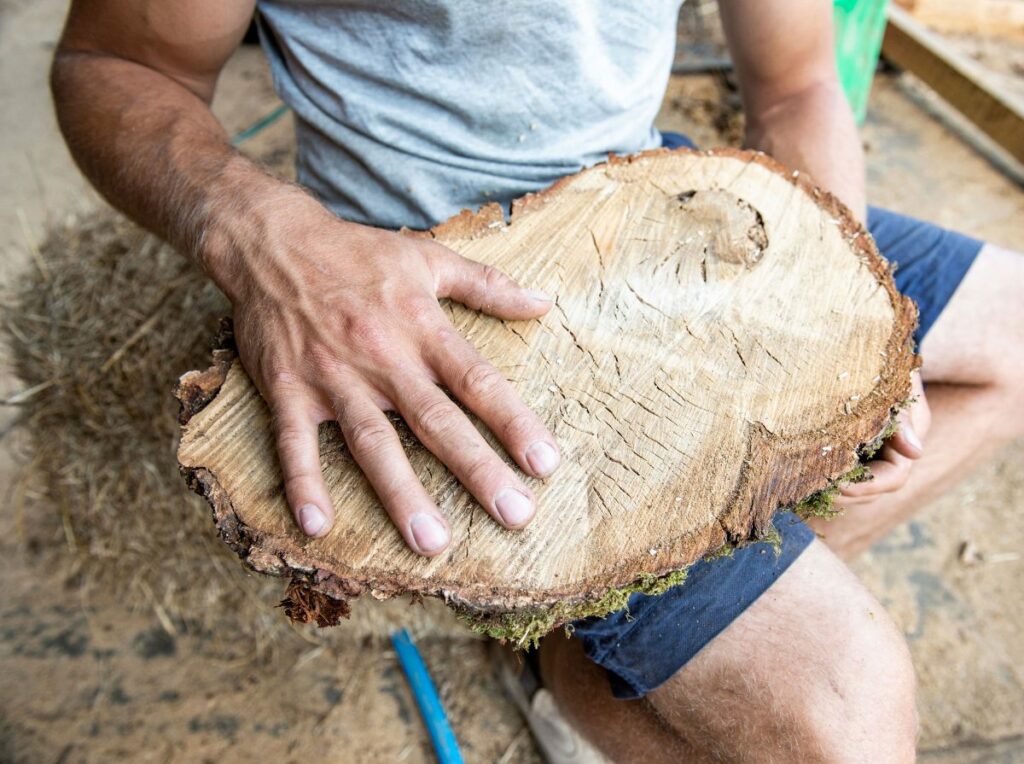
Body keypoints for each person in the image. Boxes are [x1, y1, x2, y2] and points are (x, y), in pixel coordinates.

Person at [51, 1, 1022, 760]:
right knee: (843, 710)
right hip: (417, 287)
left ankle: (590, 648)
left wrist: (842, 312)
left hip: (649, 203)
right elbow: (117, 65)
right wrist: (266, 240)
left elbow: (801, 81)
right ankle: (597, 653)